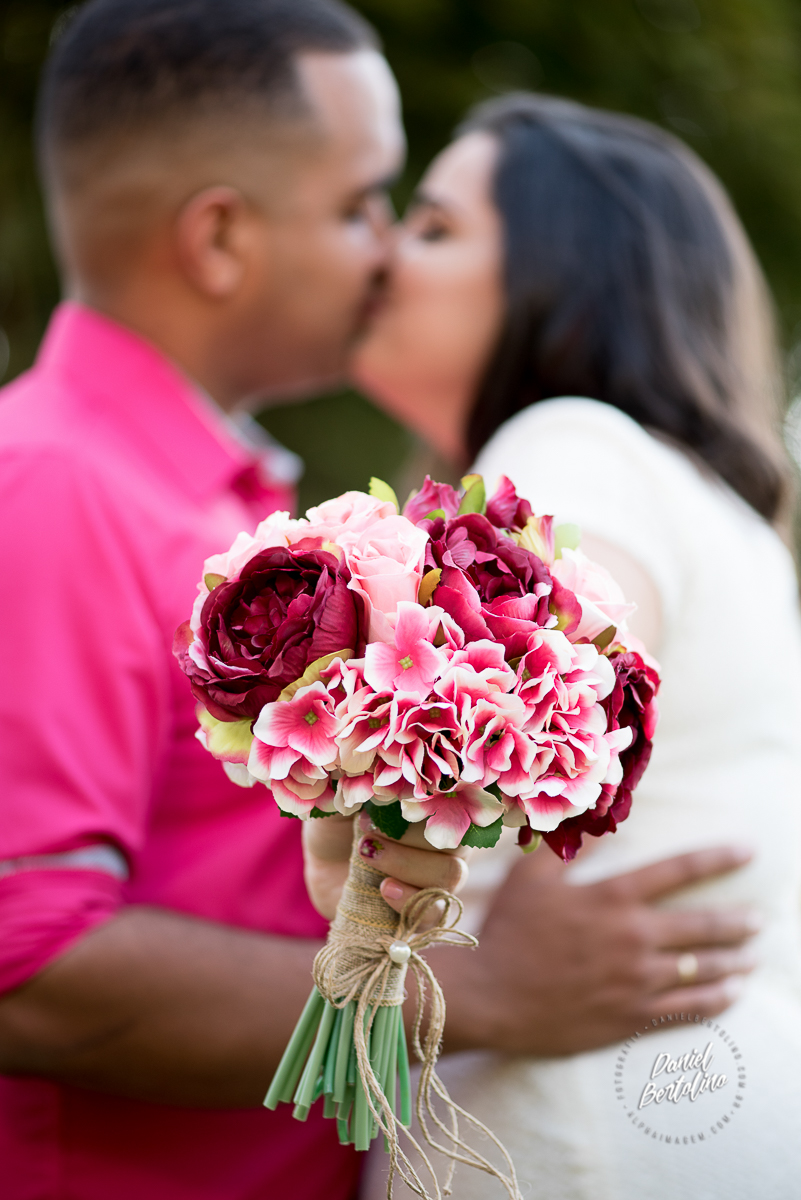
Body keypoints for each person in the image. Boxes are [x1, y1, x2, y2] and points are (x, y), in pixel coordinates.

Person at [0, 1, 760, 1192]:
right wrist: (483, 991)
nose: (384, 251)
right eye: (364, 206)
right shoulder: (51, 483)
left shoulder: (225, 505)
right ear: (219, 241)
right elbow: (22, 964)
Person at [352, 94, 801, 1198]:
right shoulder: (697, 499)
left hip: (572, 1119)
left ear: (565, 273)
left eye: (437, 227)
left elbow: (498, 774)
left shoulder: (573, 449)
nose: (384, 254)